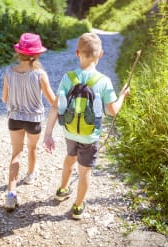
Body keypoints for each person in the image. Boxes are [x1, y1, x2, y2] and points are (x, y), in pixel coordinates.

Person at [43, 32, 130, 219]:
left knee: (70, 157)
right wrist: (122, 95)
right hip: (90, 137)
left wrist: (48, 133)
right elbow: (113, 111)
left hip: (70, 131)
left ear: (77, 53)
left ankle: (63, 189)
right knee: (84, 172)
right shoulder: (104, 81)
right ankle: (77, 206)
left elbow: (55, 106)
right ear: (101, 54)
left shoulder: (68, 77)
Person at [2, 33, 55, 211]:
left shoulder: (9, 72)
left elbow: (4, 99)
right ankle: (31, 175)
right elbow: (52, 101)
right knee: (32, 148)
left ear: (19, 53)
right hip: (33, 121)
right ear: (37, 54)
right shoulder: (40, 74)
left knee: (16, 153)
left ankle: (11, 194)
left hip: (15, 118)